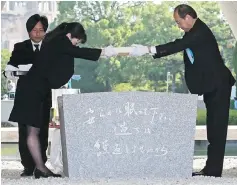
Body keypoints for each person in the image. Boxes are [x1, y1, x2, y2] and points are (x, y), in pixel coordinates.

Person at [129, 4, 235, 177]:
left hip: (219, 85)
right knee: (213, 128)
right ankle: (211, 169)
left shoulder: (198, 32)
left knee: (217, 129)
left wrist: (150, 50)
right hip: (211, 85)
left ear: (188, 17)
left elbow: (178, 45)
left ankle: (213, 171)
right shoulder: (193, 31)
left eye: (178, 21)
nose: (178, 25)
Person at [8, 21, 117, 179]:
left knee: (33, 131)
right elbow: (81, 53)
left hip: (32, 88)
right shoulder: (61, 42)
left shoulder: (54, 42)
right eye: (76, 41)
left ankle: (40, 167)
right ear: (70, 36)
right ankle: (40, 168)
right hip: (33, 90)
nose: (75, 45)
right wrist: (105, 52)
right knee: (32, 131)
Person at [4, 14, 51, 177]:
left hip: (43, 95)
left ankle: (41, 164)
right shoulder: (20, 47)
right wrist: (15, 70)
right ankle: (28, 166)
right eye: (34, 30)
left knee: (42, 129)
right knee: (24, 131)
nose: (37, 34)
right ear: (28, 31)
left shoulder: (49, 48)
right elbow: (9, 68)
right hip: (24, 95)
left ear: (45, 31)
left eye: (41, 30)